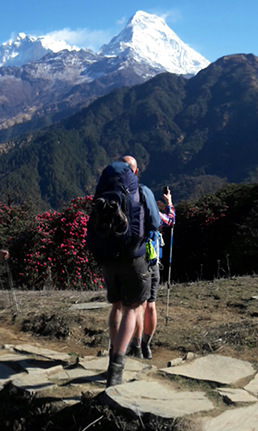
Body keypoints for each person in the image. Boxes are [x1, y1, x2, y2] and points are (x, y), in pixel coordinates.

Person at [91, 156, 161, 387]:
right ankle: (116, 370)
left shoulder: (104, 192)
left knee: (116, 307)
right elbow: (155, 223)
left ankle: (112, 354)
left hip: (107, 258)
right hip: (133, 257)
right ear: (135, 171)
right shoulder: (140, 191)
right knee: (132, 309)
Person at [128, 187, 175, 360]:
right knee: (151, 305)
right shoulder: (155, 217)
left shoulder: (131, 216)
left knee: (139, 306)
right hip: (154, 262)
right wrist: (168, 202)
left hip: (138, 264)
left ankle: (137, 347)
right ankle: (147, 346)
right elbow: (171, 220)